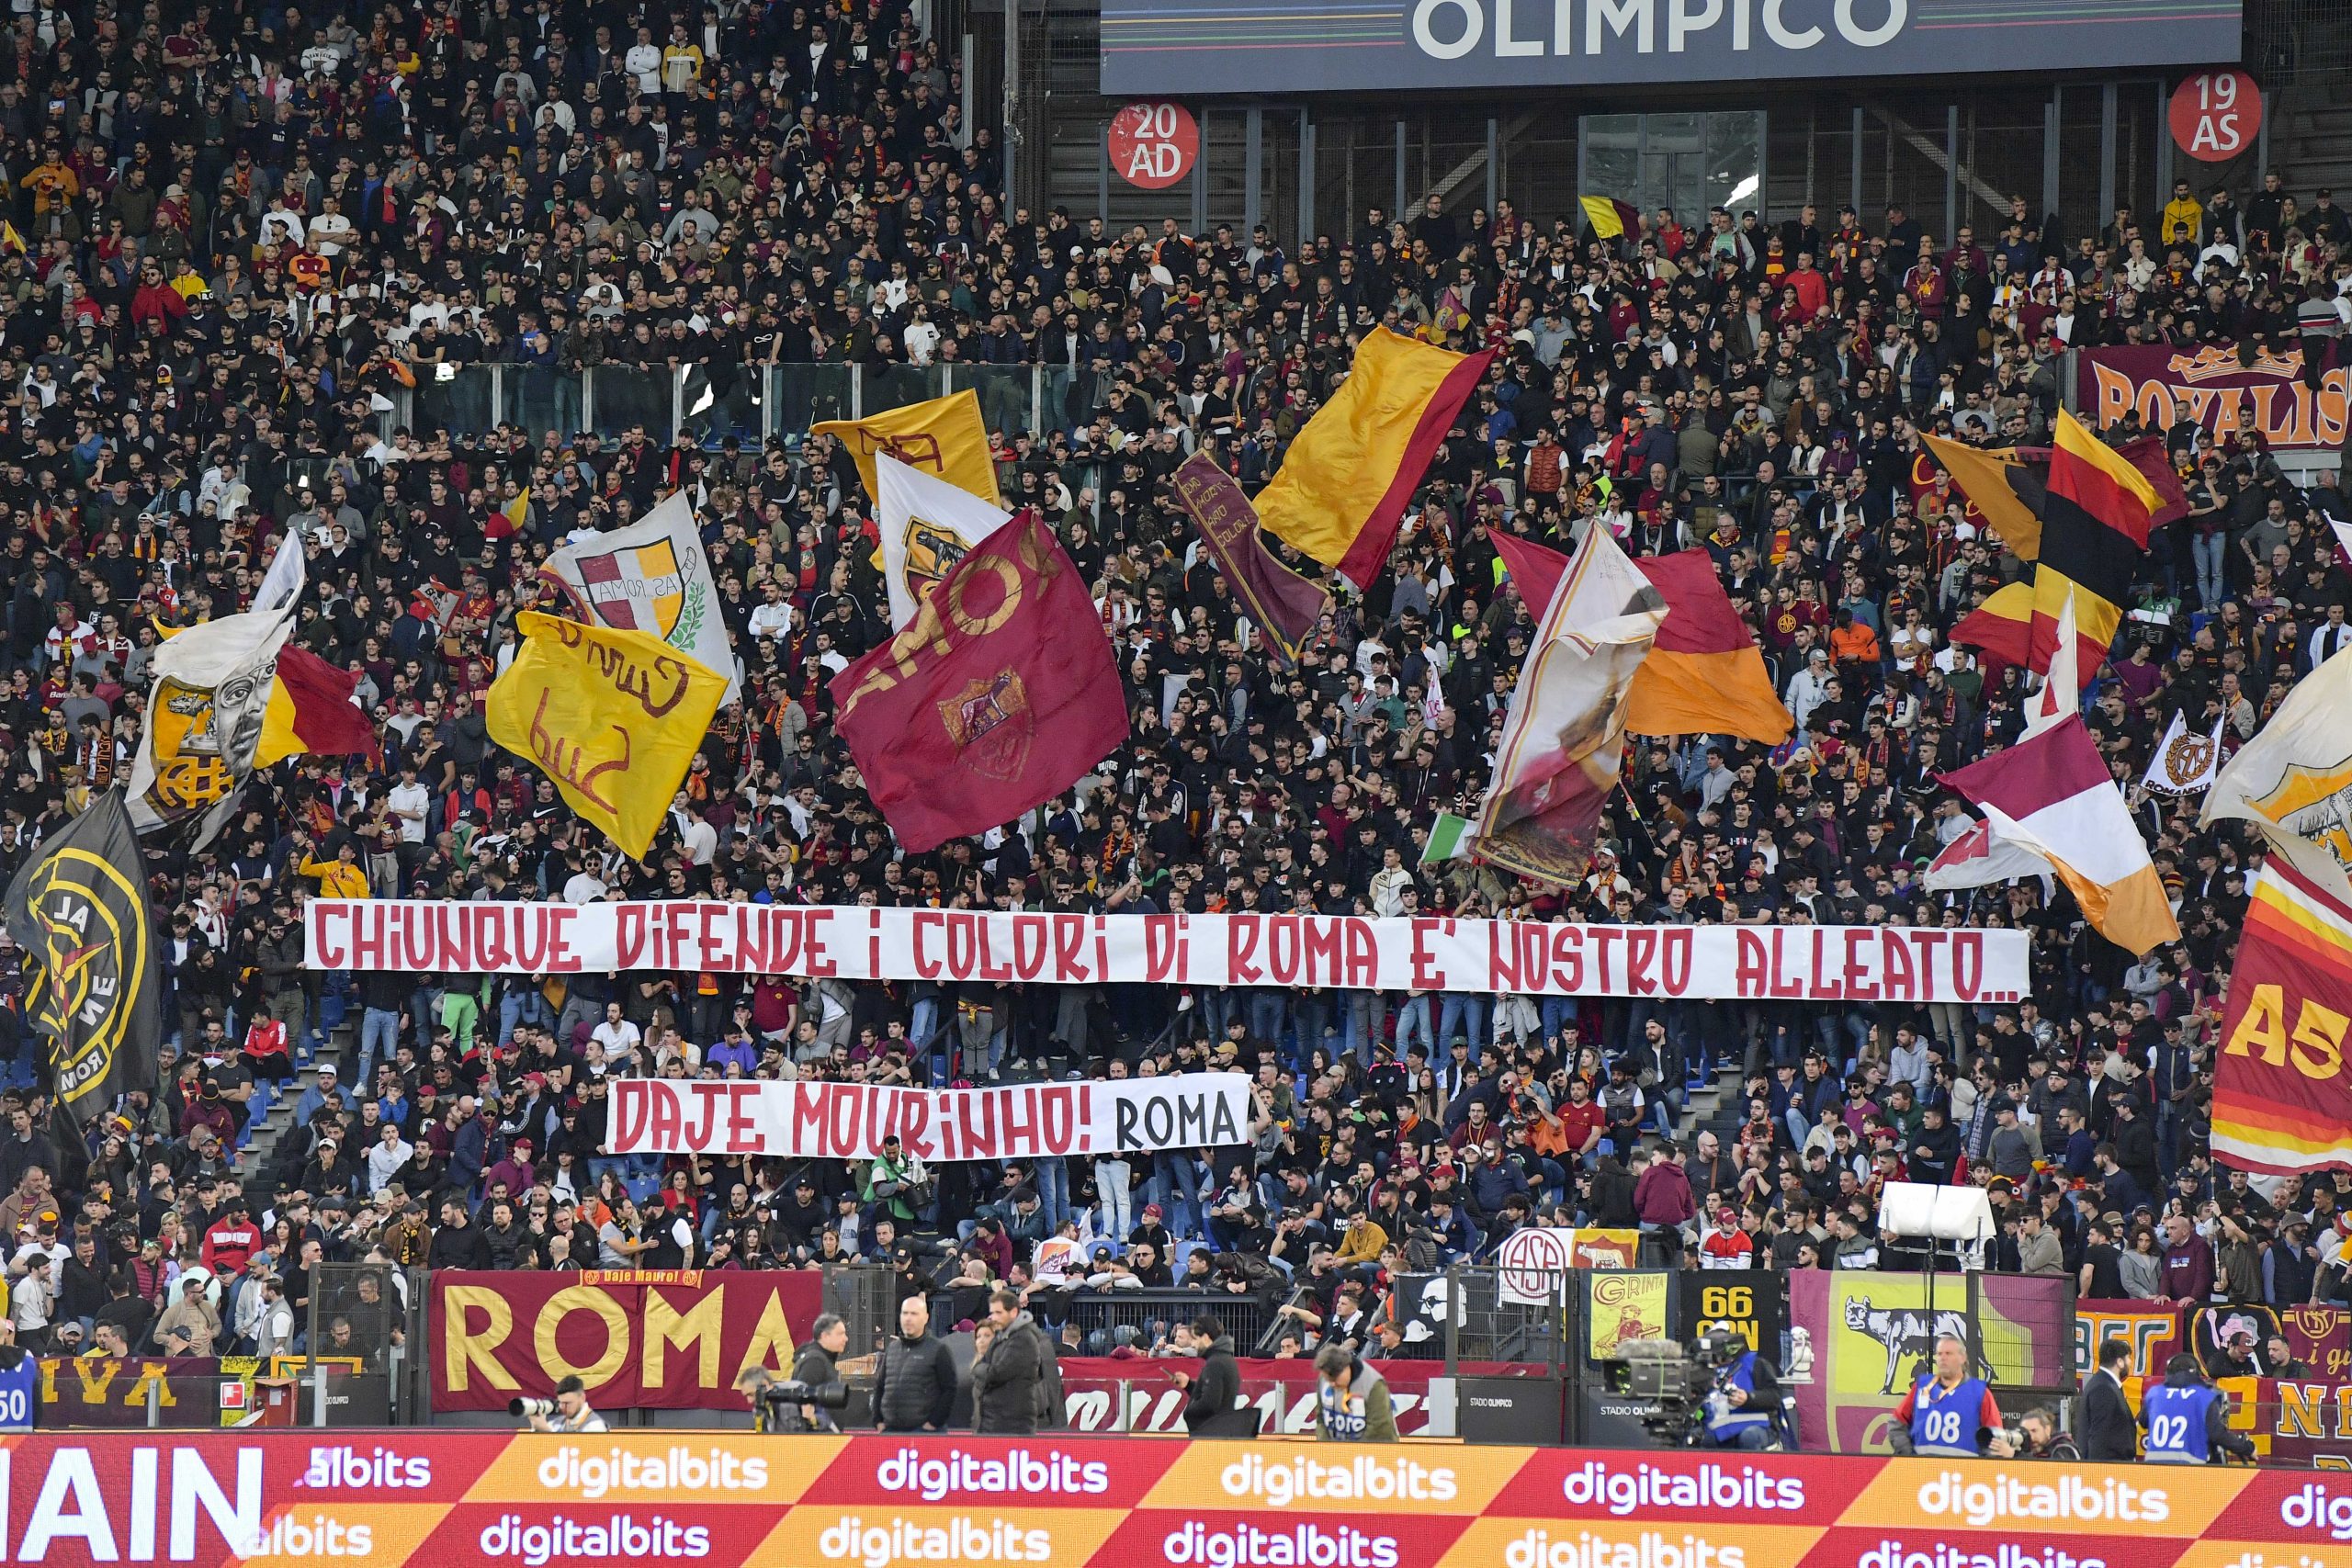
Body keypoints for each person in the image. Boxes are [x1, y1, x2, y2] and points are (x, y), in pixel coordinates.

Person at [1891, 1334, 1999, 1458]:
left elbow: (1996, 1436)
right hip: (1921, 1471)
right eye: (1939, 1354)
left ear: (1962, 1358)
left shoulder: (1980, 1392)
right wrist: (1907, 1455)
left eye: (1948, 1354)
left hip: (1963, 1472)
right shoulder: (1922, 1386)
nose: (1943, 1358)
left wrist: (1982, 1467)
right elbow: (1897, 1422)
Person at [2140, 1352, 2255, 1464]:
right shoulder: (2204, 1395)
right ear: (2196, 1374)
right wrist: (2246, 1448)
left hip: (2154, 1469)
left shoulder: (2155, 1392)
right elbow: (2217, 1434)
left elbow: (2143, 1421)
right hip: (2190, 1471)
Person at [969, 1286, 1046, 1434]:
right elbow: (982, 1367)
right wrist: (982, 1369)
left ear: (1013, 1312)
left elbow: (996, 1374)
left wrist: (980, 1369)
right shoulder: (1001, 1336)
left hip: (1012, 1423)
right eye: (992, 1313)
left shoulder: (1023, 1339)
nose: (994, 1317)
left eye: (999, 1312)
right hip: (993, 1419)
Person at [872, 1296, 956, 1433]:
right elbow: (880, 1386)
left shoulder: (938, 1349)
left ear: (926, 1318)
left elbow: (949, 1389)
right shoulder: (892, 1348)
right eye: (905, 1313)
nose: (908, 1318)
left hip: (923, 1431)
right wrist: (878, 1420)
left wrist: (934, 1423)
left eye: (914, 1314)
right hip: (890, 1429)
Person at [1697, 1331, 1783, 1450]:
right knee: (1702, 1439)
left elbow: (1775, 1397)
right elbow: (1700, 1408)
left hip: (1758, 1428)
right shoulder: (1706, 1372)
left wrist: (1749, 1398)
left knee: (1748, 1437)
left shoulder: (1756, 1364)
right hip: (1720, 1431)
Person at [1171, 1314, 1248, 1437]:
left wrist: (1188, 1412)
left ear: (1206, 1338)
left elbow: (1210, 1403)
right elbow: (1216, 1392)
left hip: (1210, 1436)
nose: (1193, 1345)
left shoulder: (1215, 1363)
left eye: (1195, 1339)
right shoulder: (1226, 1358)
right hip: (1221, 1432)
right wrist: (1189, 1385)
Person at [777, 1313, 849, 1432]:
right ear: (825, 1336)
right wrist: (813, 1422)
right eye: (840, 1334)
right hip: (816, 1440)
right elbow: (803, 1398)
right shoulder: (815, 1362)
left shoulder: (821, 1359)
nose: (845, 1338)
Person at [1312, 1341, 1397, 1441]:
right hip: (1335, 1451)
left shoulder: (1374, 1384)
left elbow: (1379, 1428)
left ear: (1345, 1367)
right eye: (1328, 1379)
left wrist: (1350, 1451)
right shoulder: (1325, 1377)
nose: (1332, 1384)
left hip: (1373, 1451)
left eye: (1334, 1379)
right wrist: (1327, 1446)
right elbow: (1321, 1418)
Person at [2077, 1336, 2141, 1461]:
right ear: (2120, 1362)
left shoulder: (2106, 1385)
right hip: (2109, 1470)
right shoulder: (2103, 1388)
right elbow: (2099, 1435)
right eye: (2128, 1358)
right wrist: (2102, 1472)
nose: (2130, 1362)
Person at [1987, 1405, 2080, 1461]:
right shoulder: (2029, 1452)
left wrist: (2014, 1455)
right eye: (2026, 1432)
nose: (2031, 1436)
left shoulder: (2065, 1448)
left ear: (2047, 1429)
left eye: (2034, 1430)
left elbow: (2055, 1476)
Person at [526, 1373, 607, 1434]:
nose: (562, 1407)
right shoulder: (556, 1423)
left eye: (567, 1403)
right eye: (560, 1403)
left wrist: (546, 1431)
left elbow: (580, 1453)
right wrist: (536, 1426)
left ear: (582, 1398)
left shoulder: (595, 1425)